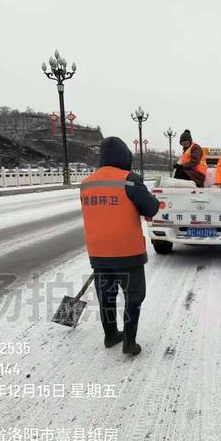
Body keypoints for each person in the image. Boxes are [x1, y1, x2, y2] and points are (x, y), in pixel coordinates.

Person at [80, 137, 160, 356]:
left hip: (98, 253)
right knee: (133, 297)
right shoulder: (130, 180)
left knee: (106, 296)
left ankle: (110, 335)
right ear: (124, 156)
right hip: (128, 253)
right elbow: (151, 208)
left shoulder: (86, 183)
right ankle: (129, 342)